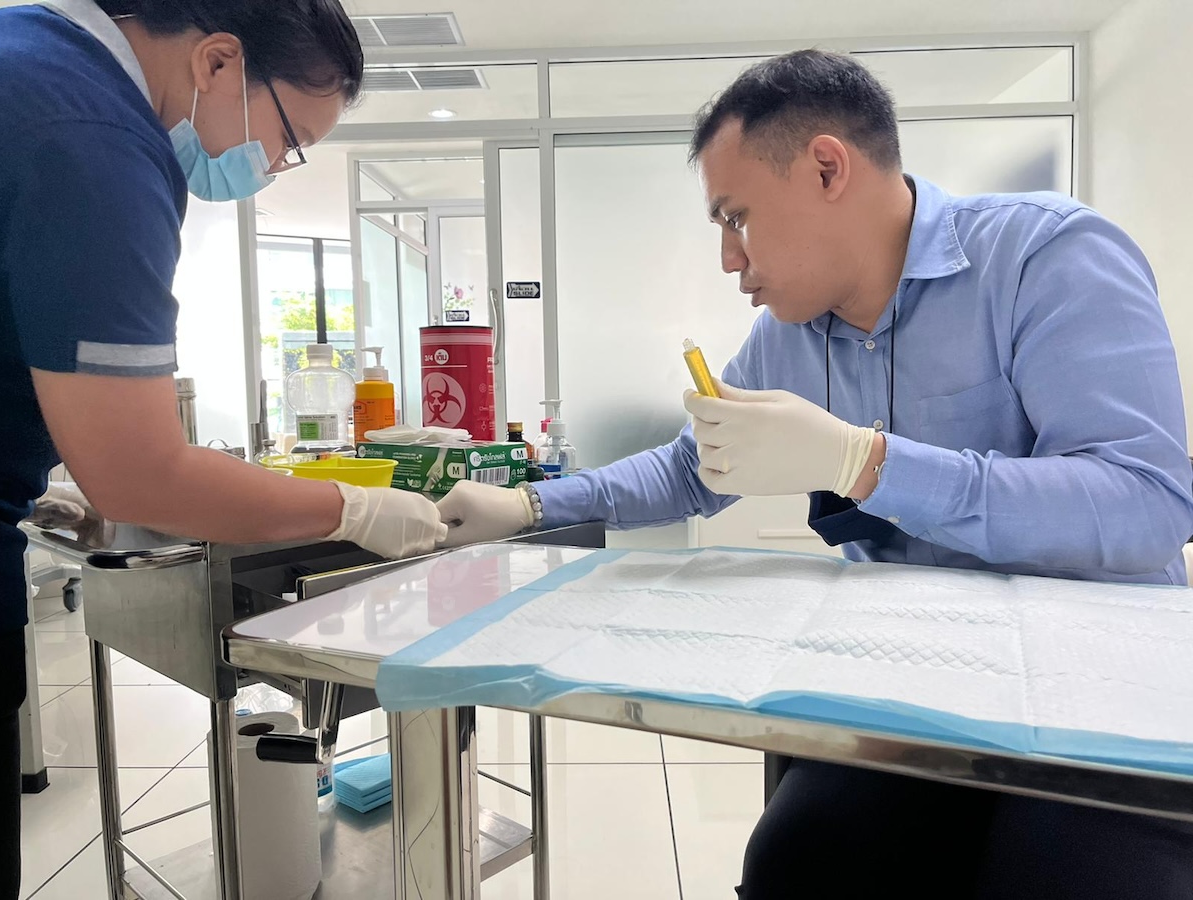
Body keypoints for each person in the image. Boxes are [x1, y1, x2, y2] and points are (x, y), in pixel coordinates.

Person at [437, 50, 1193, 898]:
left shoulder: (1043, 257)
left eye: (737, 217)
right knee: (796, 865)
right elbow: (696, 469)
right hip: (919, 685)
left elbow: (1148, 504)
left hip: (1099, 699)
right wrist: (529, 501)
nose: (730, 258)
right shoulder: (791, 334)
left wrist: (864, 463)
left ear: (827, 167)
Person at [0, 1, 446, 894]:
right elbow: (143, 475)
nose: (275, 168)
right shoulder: (95, 137)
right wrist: (355, 506)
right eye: (289, 140)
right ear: (219, 62)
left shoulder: (22, 50)